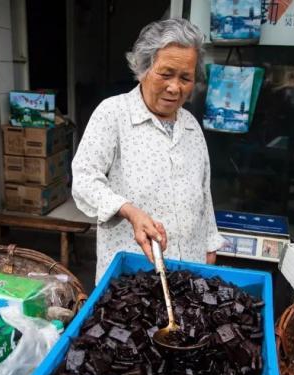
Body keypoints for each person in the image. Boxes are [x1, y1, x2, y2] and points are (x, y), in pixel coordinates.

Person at [72, 18, 225, 283]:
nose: (175, 87)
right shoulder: (113, 114)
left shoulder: (191, 126)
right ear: (143, 68)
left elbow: (203, 192)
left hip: (188, 268)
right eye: (166, 74)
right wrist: (129, 210)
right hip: (132, 275)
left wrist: (210, 244)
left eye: (185, 78)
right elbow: (84, 179)